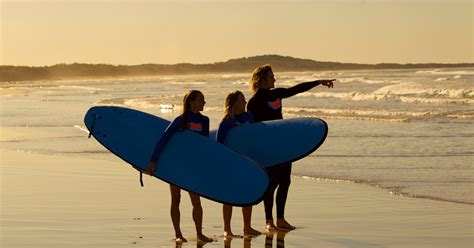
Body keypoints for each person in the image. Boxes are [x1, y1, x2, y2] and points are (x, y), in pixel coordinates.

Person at [247, 64, 335, 231]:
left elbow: (296, 89)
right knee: (271, 183)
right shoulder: (254, 102)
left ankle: (280, 219)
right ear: (262, 80)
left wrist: (318, 82)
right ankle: (268, 220)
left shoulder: (277, 94)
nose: (274, 78)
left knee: (285, 181)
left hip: (283, 144)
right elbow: (252, 129)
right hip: (268, 147)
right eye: (271, 76)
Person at [147, 90, 213, 243]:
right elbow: (164, 139)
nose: (204, 102)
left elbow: (205, 146)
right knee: (176, 199)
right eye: (202, 99)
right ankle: (178, 233)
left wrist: (207, 166)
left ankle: (199, 233)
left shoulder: (205, 121)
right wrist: (153, 161)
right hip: (176, 165)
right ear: (192, 102)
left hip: (193, 166)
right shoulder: (180, 120)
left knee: (196, 202)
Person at [216, 90, 261, 238]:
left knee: (247, 194)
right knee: (229, 196)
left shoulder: (249, 116)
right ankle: (227, 229)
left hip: (248, 161)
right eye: (242, 100)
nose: (245, 102)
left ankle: (247, 227)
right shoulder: (227, 121)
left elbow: (255, 137)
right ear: (235, 103)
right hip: (231, 162)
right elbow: (219, 144)